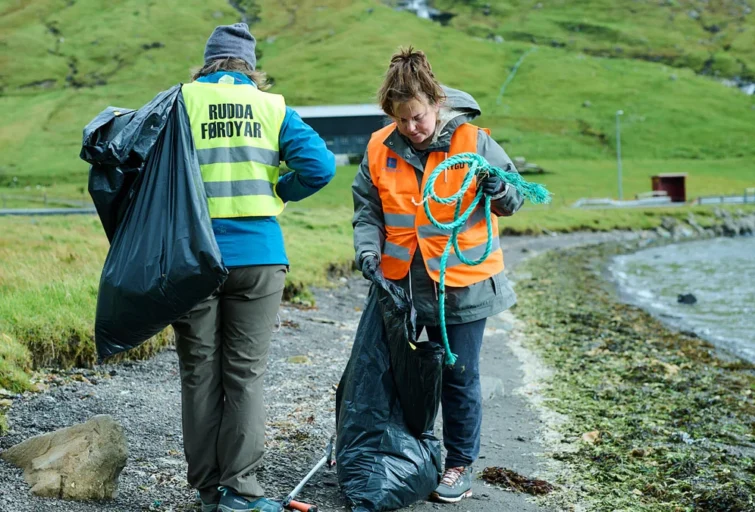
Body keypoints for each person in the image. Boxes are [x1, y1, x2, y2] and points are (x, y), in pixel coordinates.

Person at [172, 23, 335, 512]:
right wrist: (279, 191)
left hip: (192, 259)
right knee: (244, 376)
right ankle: (239, 493)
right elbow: (320, 167)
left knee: (199, 374)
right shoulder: (272, 106)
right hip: (259, 257)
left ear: (206, 63)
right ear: (249, 66)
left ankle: (206, 489)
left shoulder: (179, 101)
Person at [351, 46, 523, 504]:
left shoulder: (475, 142)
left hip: (463, 287)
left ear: (437, 103)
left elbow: (514, 201)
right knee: (396, 373)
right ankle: (401, 453)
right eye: (402, 120)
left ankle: (459, 465)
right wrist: (366, 252)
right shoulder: (377, 146)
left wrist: (499, 188)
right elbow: (367, 212)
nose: (412, 129)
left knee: (458, 375)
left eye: (419, 118)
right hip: (401, 284)